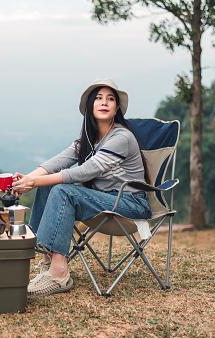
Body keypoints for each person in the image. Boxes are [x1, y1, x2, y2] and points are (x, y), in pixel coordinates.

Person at [11, 78, 152, 296]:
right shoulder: (89, 138)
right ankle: (47, 259)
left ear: (116, 108)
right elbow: (59, 162)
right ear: (90, 106)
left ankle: (59, 274)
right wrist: (26, 180)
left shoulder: (121, 137)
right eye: (98, 98)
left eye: (110, 99)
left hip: (131, 204)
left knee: (62, 188)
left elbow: (83, 172)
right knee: (49, 186)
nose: (104, 102)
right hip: (102, 199)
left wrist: (33, 182)